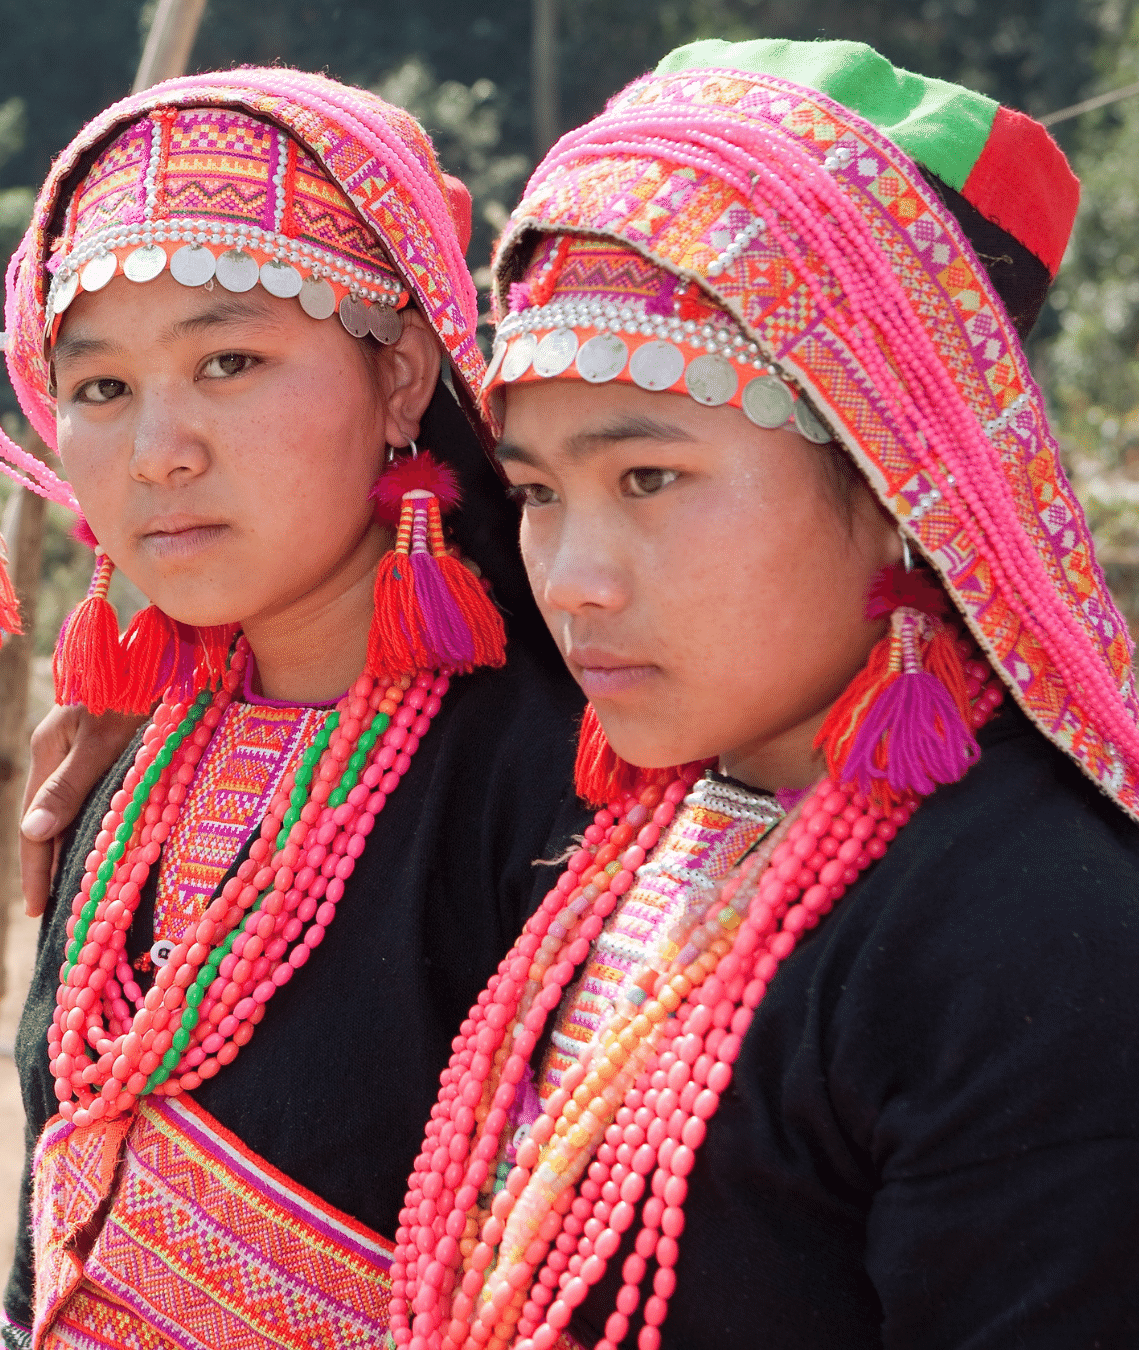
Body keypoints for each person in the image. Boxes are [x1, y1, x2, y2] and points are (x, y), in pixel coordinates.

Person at [391, 39, 1139, 1350]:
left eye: (649, 480)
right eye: (539, 493)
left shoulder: (1037, 937)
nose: (574, 581)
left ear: (904, 480)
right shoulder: (660, 822)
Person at [0, 70, 592, 1349]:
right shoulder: (134, 767)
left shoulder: (552, 785)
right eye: (102, 388)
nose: (159, 450)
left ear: (400, 376)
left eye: (230, 360)